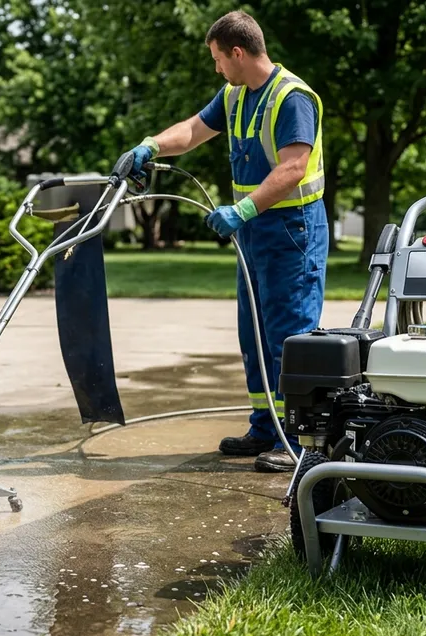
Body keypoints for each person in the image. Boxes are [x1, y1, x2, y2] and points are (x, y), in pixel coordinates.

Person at [117, 10, 328, 473]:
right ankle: (264, 427)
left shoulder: (291, 97)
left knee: (289, 336)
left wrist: (244, 209)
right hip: (253, 233)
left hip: (293, 232)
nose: (216, 68)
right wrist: (149, 146)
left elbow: (293, 168)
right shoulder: (235, 95)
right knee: (253, 332)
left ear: (238, 52)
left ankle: (297, 442)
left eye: (217, 59)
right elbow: (192, 130)